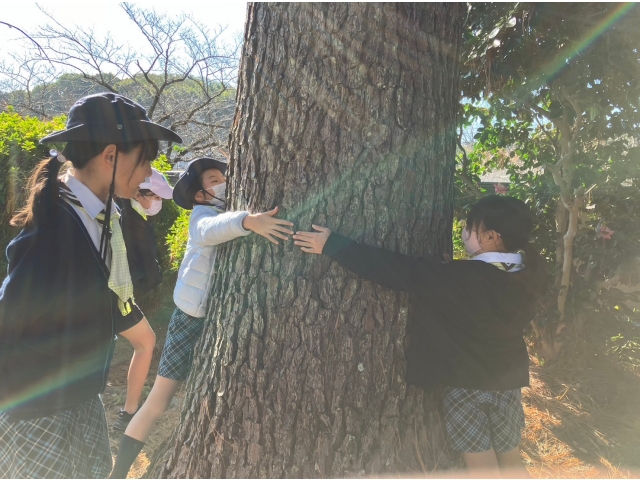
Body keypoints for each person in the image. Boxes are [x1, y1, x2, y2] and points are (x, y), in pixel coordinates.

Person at [293, 195, 547, 478]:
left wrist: (334, 245)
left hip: (466, 386)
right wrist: (453, 271)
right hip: (507, 382)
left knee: (481, 468)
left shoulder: (461, 276)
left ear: (489, 237)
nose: (464, 232)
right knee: (511, 458)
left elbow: (402, 272)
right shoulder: (528, 273)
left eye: (469, 227)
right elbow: (481, 291)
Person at [0, 92, 182, 478]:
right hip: (37, 410)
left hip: (81, 398)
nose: (149, 172)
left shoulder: (102, 217)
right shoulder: (52, 231)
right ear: (111, 156)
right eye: (145, 160)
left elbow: (135, 282)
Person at [110, 156, 294, 478]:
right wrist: (249, 221)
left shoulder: (224, 211)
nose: (222, 181)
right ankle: (118, 472)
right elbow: (210, 230)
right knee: (159, 401)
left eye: (223, 176)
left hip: (218, 319)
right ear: (199, 195)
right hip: (190, 318)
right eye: (213, 179)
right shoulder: (203, 216)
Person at [112, 168, 175, 432]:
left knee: (145, 341)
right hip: (108, 295)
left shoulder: (125, 210)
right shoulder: (118, 210)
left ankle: (129, 410)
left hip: (119, 295)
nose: (155, 202)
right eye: (151, 195)